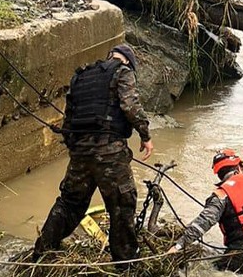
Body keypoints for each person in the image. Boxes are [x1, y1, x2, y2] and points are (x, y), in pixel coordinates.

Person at [34, 44, 154, 263]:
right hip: (109, 152)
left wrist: (75, 148)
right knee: (122, 203)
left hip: (80, 151)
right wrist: (145, 135)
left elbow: (69, 117)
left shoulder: (80, 77)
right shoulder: (122, 72)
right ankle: (125, 263)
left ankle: (42, 252)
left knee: (69, 203)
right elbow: (130, 105)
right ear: (127, 61)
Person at [168, 149, 243, 274]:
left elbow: (203, 223)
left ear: (219, 174)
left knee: (206, 270)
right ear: (240, 166)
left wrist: (178, 246)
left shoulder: (221, 195)